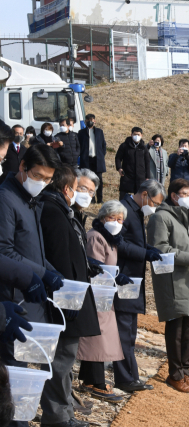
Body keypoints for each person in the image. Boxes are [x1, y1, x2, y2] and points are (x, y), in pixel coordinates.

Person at [40, 164, 101, 427]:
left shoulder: (63, 210)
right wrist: (66, 297)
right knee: (60, 362)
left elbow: (71, 251)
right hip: (65, 300)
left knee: (65, 362)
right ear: (67, 189)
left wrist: (87, 264)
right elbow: (58, 258)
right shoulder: (53, 212)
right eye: (78, 188)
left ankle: (66, 415)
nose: (81, 194)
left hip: (71, 296)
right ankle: (57, 419)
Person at [0, 144, 64, 387]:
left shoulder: (31, 199)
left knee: (21, 372)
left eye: (47, 179)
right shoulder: (6, 198)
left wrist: (49, 268)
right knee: (12, 374)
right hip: (12, 296)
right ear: (23, 167)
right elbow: (4, 251)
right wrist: (42, 272)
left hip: (28, 296)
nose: (42, 182)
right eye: (37, 176)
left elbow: (30, 247)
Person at [148, 179, 189, 393]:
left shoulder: (186, 218)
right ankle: (174, 375)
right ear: (174, 196)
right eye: (184, 193)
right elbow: (161, 249)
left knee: (188, 331)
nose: (188, 196)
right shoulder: (161, 217)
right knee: (176, 331)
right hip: (173, 282)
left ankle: (185, 372)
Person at [115, 180, 165, 393]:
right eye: (154, 202)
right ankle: (126, 378)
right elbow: (119, 243)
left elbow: (134, 241)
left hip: (134, 279)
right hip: (124, 278)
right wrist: (145, 253)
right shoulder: (123, 209)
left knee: (131, 330)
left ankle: (130, 375)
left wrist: (149, 248)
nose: (153, 208)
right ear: (144, 194)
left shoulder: (136, 211)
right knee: (124, 331)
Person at [77, 201, 130, 403]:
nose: (116, 222)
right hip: (96, 292)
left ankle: (89, 378)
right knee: (96, 337)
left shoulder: (111, 239)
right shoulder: (95, 237)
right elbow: (94, 266)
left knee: (101, 335)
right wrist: (115, 277)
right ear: (102, 218)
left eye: (119, 219)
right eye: (112, 218)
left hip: (104, 293)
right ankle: (96, 382)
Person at [115, 127, 151, 200]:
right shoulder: (124, 146)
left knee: (140, 198)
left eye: (138, 134)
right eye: (135, 134)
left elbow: (147, 162)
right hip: (127, 175)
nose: (136, 136)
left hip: (140, 177)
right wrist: (119, 168)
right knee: (123, 198)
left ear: (141, 135)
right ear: (131, 134)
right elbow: (118, 158)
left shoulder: (144, 148)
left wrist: (147, 177)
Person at [78, 114, 107, 203]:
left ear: (95, 121)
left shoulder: (99, 132)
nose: (91, 121)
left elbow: (103, 145)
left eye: (92, 119)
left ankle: (100, 199)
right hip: (86, 159)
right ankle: (92, 199)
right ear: (86, 121)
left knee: (99, 180)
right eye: (89, 119)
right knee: (88, 179)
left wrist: (101, 155)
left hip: (97, 159)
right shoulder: (81, 132)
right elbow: (79, 145)